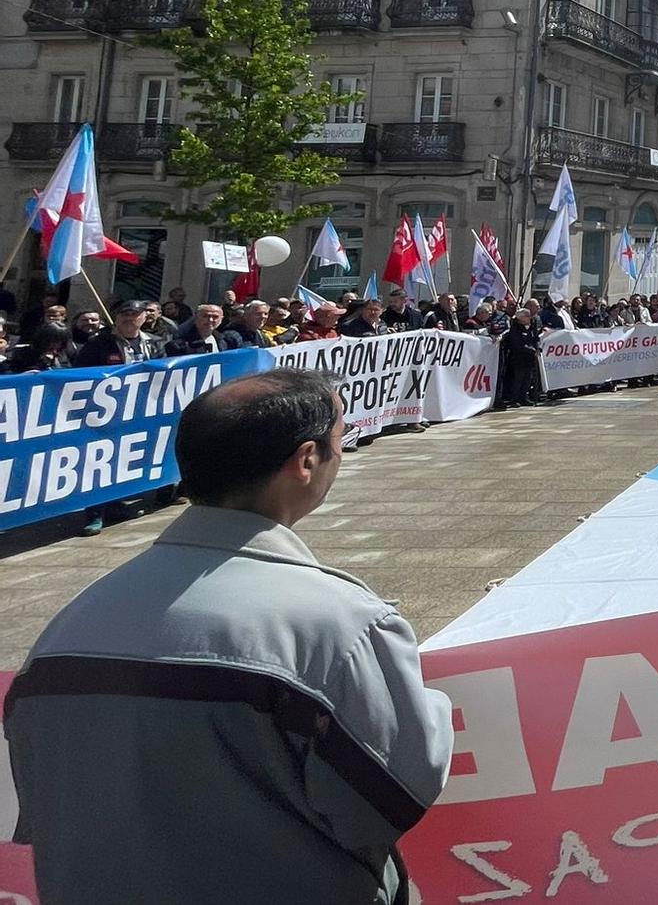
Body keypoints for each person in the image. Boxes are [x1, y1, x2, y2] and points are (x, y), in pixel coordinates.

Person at [3, 370, 453, 904]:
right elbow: (396, 795)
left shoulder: (69, 625)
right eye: (340, 444)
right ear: (306, 460)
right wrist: (433, 704)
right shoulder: (342, 622)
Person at [71, 298, 163, 370]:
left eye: (134, 314)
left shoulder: (155, 343)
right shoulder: (97, 343)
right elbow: (82, 371)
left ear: (144, 317)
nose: (129, 318)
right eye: (125, 314)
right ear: (116, 318)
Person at [495, 307, 541, 410]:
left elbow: (535, 338)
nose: (529, 318)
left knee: (528, 378)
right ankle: (515, 398)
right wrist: (531, 350)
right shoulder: (515, 328)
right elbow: (518, 344)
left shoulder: (532, 326)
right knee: (518, 379)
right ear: (521, 318)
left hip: (529, 358)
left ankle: (524, 396)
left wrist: (537, 347)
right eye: (527, 316)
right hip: (518, 357)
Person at [168, 303, 239, 356]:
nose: (210, 320)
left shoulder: (226, 341)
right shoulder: (179, 345)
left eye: (215, 317)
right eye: (205, 316)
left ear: (221, 320)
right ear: (195, 318)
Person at [5, 323, 75, 374]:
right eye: (54, 341)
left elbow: (66, 371)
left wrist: (53, 363)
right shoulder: (22, 353)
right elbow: (8, 374)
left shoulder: (62, 355)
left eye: (61, 342)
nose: (57, 345)